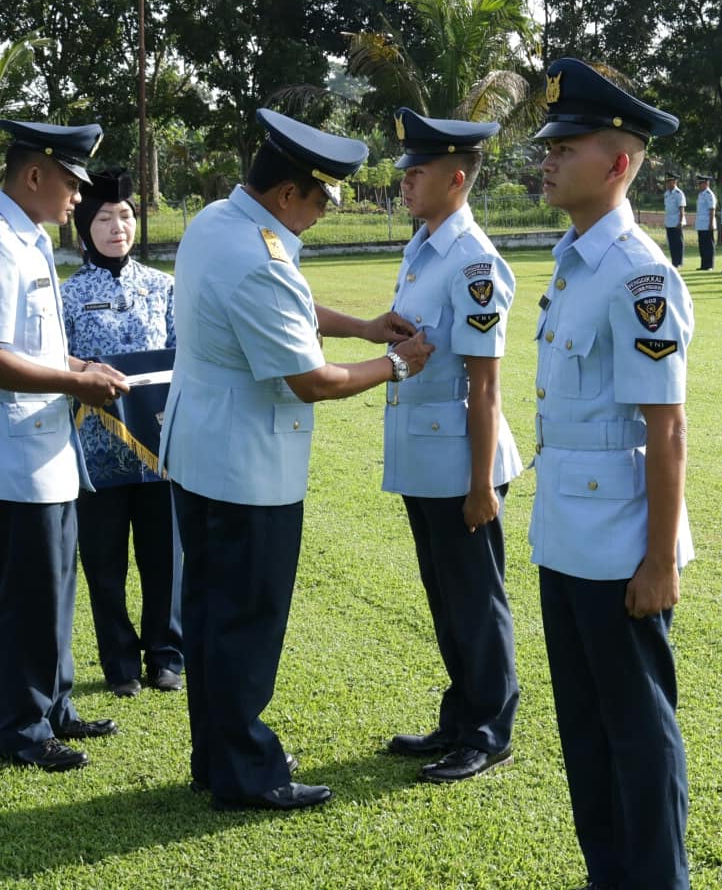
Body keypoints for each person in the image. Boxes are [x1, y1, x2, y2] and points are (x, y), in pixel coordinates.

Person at [159, 108, 434, 811]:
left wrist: (362, 324)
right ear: (288, 195)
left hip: (200, 452)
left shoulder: (218, 222)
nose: (320, 214)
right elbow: (312, 381)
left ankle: (216, 758)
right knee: (246, 624)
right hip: (246, 470)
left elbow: (292, 304)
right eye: (320, 200)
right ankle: (247, 773)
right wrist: (394, 362)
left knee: (214, 617)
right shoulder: (258, 259)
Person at [532, 57, 695, 890]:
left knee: (637, 727)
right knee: (585, 729)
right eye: (548, 146)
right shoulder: (572, 261)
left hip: (621, 540)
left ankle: (658, 878)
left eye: (567, 146)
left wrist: (660, 559)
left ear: (620, 163)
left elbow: (666, 429)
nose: (548, 159)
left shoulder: (639, 275)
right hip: (564, 529)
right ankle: (610, 874)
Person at [383, 108, 523, 783]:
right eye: (406, 168)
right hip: (424, 454)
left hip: (463, 460)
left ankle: (489, 729)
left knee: (475, 598)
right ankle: (459, 714)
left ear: (457, 180)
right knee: (445, 595)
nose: (405, 180)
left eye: (418, 171)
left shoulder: (473, 263)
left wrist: (479, 485)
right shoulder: (424, 245)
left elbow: (484, 384)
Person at [0, 120, 129, 772]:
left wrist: (79, 365)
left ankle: (56, 706)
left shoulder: (31, 239)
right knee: (28, 596)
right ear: (33, 175)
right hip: (16, 456)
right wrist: (76, 379)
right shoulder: (0, 242)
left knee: (56, 587)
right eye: (73, 182)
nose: (79, 196)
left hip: (50, 450)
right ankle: (24, 729)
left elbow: (37, 346)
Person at [61, 168, 183, 699]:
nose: (118, 227)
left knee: (165, 558)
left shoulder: (164, 287)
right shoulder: (66, 295)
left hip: (160, 452)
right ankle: (119, 662)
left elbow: (183, 357)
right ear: (86, 225)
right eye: (106, 217)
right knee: (104, 562)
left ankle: (165, 654)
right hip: (95, 452)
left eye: (126, 215)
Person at [663, 173, 686, 268]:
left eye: (670, 181)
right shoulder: (666, 194)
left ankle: (679, 262)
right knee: (671, 243)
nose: (668, 183)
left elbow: (681, 209)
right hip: (669, 221)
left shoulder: (678, 193)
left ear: (675, 182)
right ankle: (674, 262)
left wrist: (680, 221)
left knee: (678, 243)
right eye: (667, 181)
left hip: (677, 221)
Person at [694, 173, 716, 270]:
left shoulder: (709, 194)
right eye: (699, 183)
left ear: (706, 183)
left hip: (707, 223)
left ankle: (709, 265)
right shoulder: (701, 194)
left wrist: (711, 223)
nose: (699, 185)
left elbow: (712, 209)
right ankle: (704, 264)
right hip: (701, 224)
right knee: (702, 245)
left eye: (701, 183)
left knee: (708, 245)